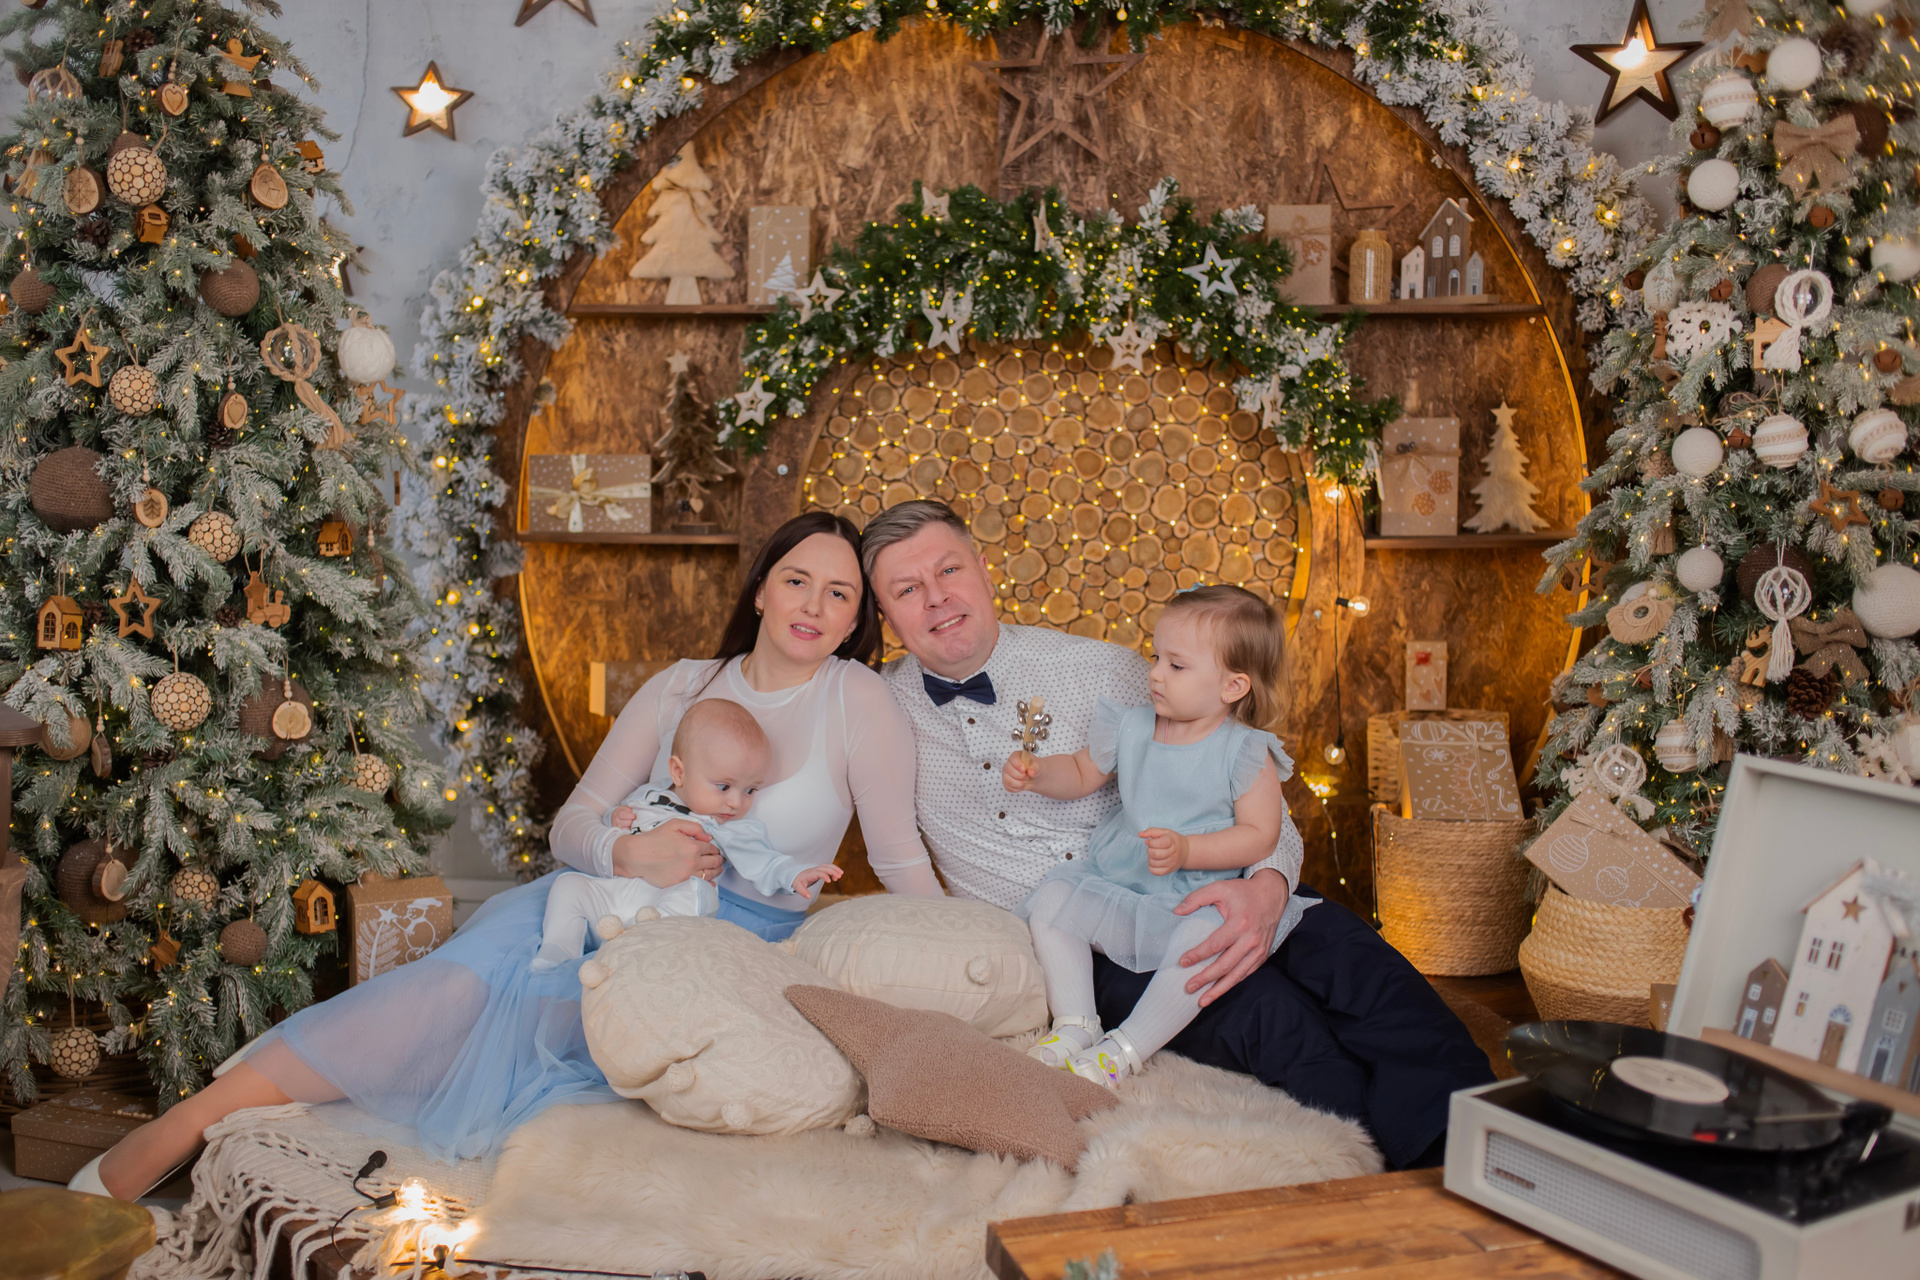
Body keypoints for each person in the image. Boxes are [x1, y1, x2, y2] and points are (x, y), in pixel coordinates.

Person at [74, 512, 939, 1198]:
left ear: (857, 618)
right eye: (797, 580)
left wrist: (975, 954)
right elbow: (573, 826)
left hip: (722, 936)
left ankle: (341, 1099)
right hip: (604, 892)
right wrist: (631, 853)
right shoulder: (681, 686)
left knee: (561, 1029)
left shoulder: (857, 699)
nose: (813, 606)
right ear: (760, 590)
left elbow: (900, 859)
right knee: (455, 988)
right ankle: (190, 1120)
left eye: (839, 593)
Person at [864, 499, 1493, 1169]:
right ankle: (1400, 1183)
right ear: (884, 616)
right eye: (907, 590)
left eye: (949, 570)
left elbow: (1240, 775)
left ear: (984, 569)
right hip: (1088, 942)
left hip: (1211, 876)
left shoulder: (1107, 671)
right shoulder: (872, 707)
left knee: (1364, 971)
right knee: (1272, 1019)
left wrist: (1268, 888)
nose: (937, 598)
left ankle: (1500, 1150)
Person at [1005, 585, 1312, 1088]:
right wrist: (1039, 773)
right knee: (1055, 898)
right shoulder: (1132, 726)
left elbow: (1260, 835)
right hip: (1124, 881)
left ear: (1233, 686)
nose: (1155, 673)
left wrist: (1190, 849)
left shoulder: (1244, 751)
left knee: (1206, 942)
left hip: (1195, 895)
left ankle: (1126, 1048)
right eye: (1155, 657)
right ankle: (1076, 1023)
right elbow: (1081, 772)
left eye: (1177, 665)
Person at [531, 698, 843, 972]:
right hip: (616, 896)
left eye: (750, 790)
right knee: (568, 886)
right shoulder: (649, 794)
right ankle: (560, 948)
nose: (736, 802)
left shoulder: (728, 827)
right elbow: (619, 826)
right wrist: (613, 817)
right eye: (724, 786)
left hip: (661, 909)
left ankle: (641, 942)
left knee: (697, 893)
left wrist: (795, 874)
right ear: (678, 772)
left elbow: (764, 860)